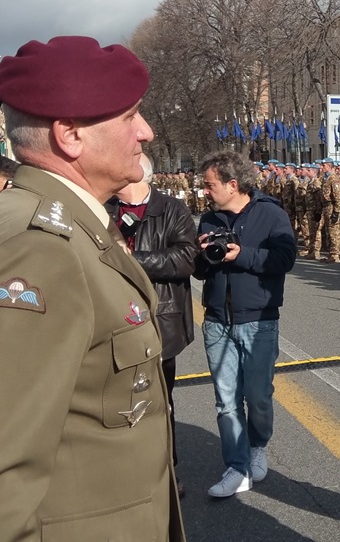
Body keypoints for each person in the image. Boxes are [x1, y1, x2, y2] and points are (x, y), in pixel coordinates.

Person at [0, 37, 183, 541]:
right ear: (70, 135)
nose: (146, 132)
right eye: (129, 116)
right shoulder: (35, 249)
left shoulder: (70, 224)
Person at [195, 150, 296, 497]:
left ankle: (257, 446)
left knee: (258, 395)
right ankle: (236, 468)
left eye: (209, 185)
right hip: (217, 320)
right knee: (226, 400)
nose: (204, 192)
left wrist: (243, 256)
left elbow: (285, 259)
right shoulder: (209, 220)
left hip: (258, 321)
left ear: (232, 184)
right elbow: (200, 270)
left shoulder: (270, 214)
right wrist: (202, 255)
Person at [109, 153, 199, 496]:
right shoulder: (105, 209)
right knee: (119, 402)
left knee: (160, 402)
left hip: (160, 319)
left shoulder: (172, 210)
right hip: (115, 318)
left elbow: (185, 258)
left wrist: (133, 261)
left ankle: (166, 472)